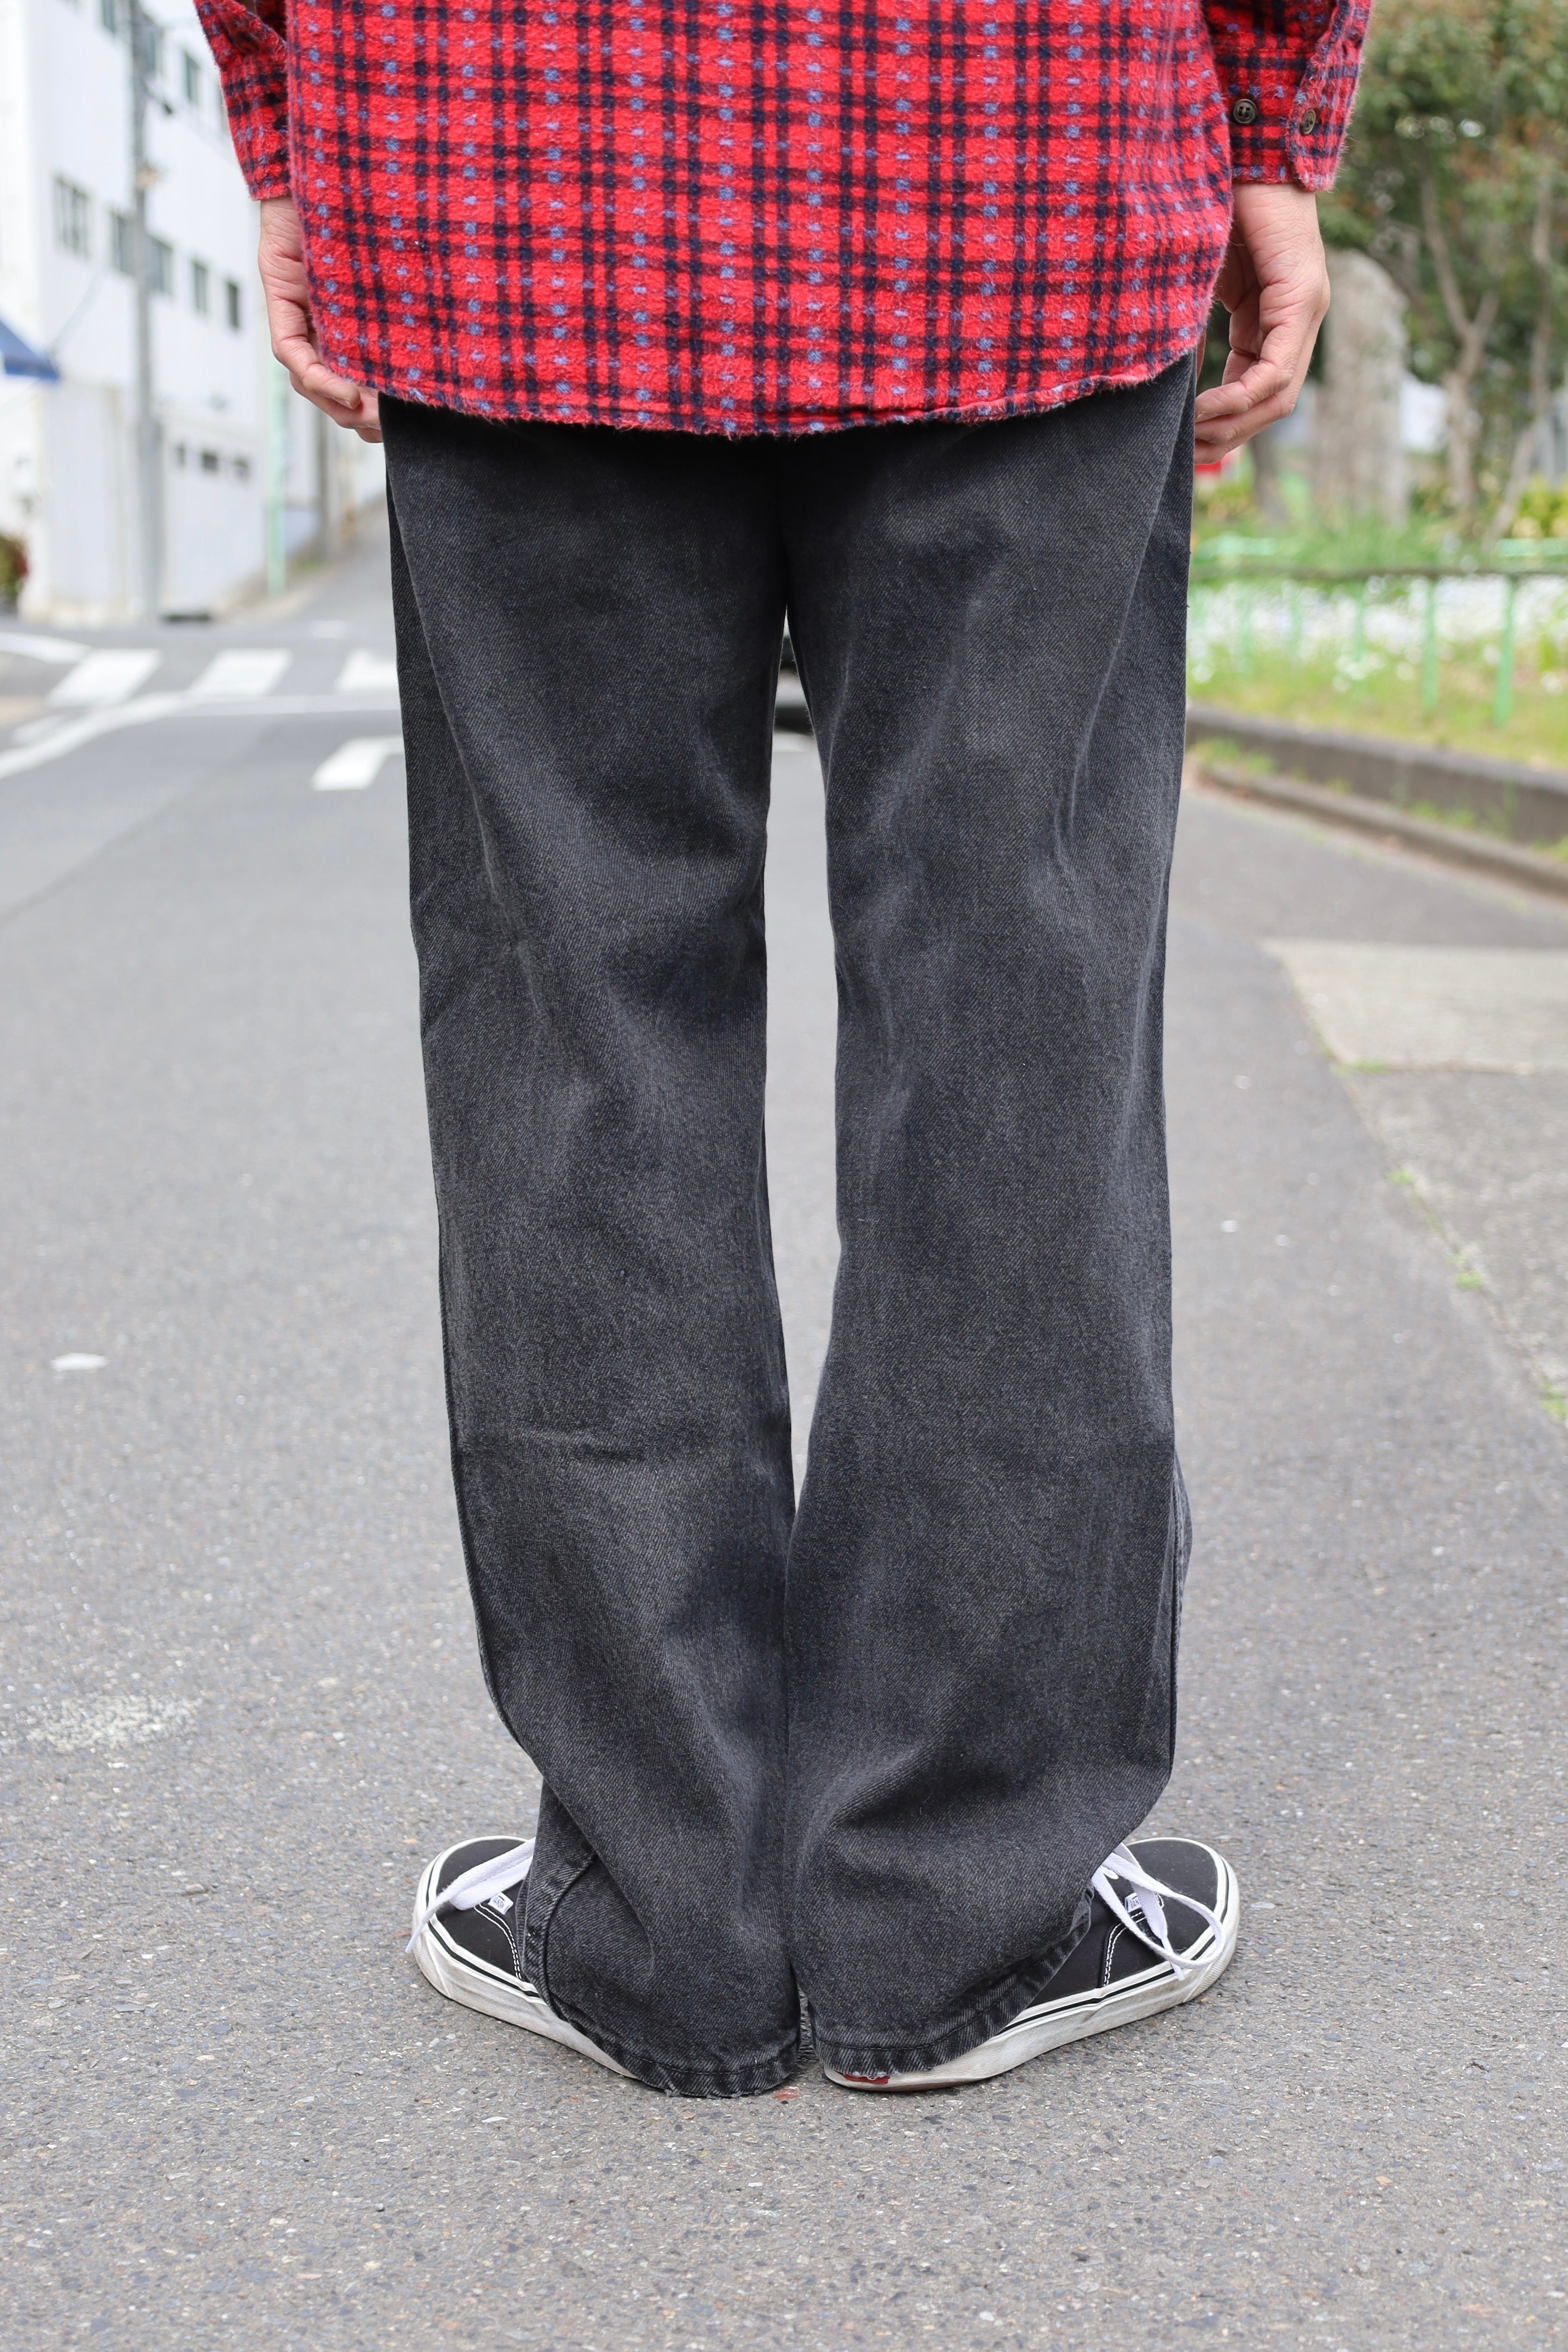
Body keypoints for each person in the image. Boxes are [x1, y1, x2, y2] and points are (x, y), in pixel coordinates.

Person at [199, 0, 1365, 2097]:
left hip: (509, 165)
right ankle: (961, 1902)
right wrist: (1273, 117)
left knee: (576, 1029)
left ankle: (666, 1909)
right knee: (1015, 1020)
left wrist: (296, 123)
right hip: (1014, 155)